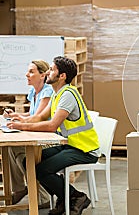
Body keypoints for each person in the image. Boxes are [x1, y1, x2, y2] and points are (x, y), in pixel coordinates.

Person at [8, 56, 100, 215]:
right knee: (29, 162)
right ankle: (65, 199)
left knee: (41, 170)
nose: (48, 73)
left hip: (84, 150)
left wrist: (21, 126)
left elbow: (51, 126)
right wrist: (20, 118)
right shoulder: (57, 94)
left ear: (62, 76)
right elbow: (40, 117)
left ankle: (75, 197)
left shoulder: (68, 95)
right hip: (69, 145)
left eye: (51, 70)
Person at [3, 60, 53, 208]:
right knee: (12, 148)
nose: (27, 74)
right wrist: (16, 115)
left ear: (43, 75)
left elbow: (38, 117)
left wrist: (20, 121)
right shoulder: (34, 92)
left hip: (45, 138)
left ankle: (42, 195)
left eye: (31, 72)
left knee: (21, 152)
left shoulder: (47, 92)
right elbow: (30, 113)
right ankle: (19, 189)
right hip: (35, 134)